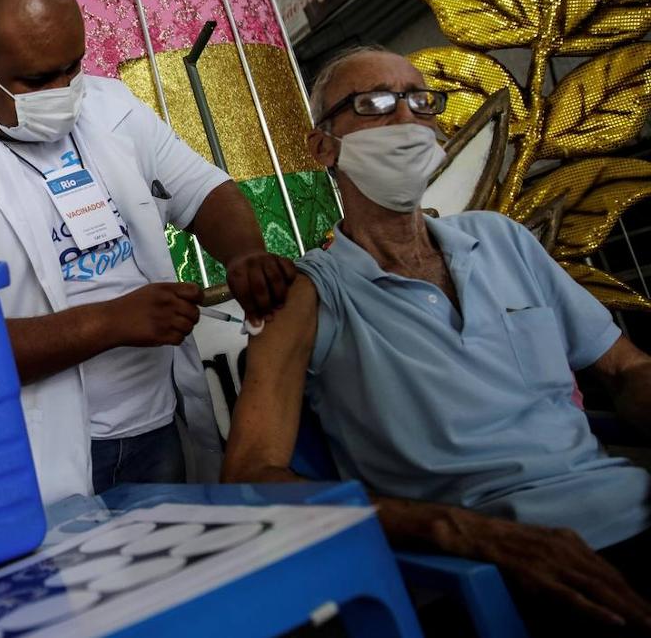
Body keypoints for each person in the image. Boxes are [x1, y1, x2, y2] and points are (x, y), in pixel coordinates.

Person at [221, 46, 651, 636]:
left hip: (629, 504)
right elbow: (251, 476)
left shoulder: (503, 241)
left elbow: (626, 371)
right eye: (373, 104)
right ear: (322, 147)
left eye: (421, 101)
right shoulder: (309, 294)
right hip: (499, 561)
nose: (406, 119)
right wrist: (454, 530)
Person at [0, 0, 295, 503]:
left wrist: (245, 255)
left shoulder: (107, 104)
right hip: (50, 449)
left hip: (159, 417)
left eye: (72, 67)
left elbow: (203, 189)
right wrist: (109, 323)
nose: (65, 91)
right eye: (39, 79)